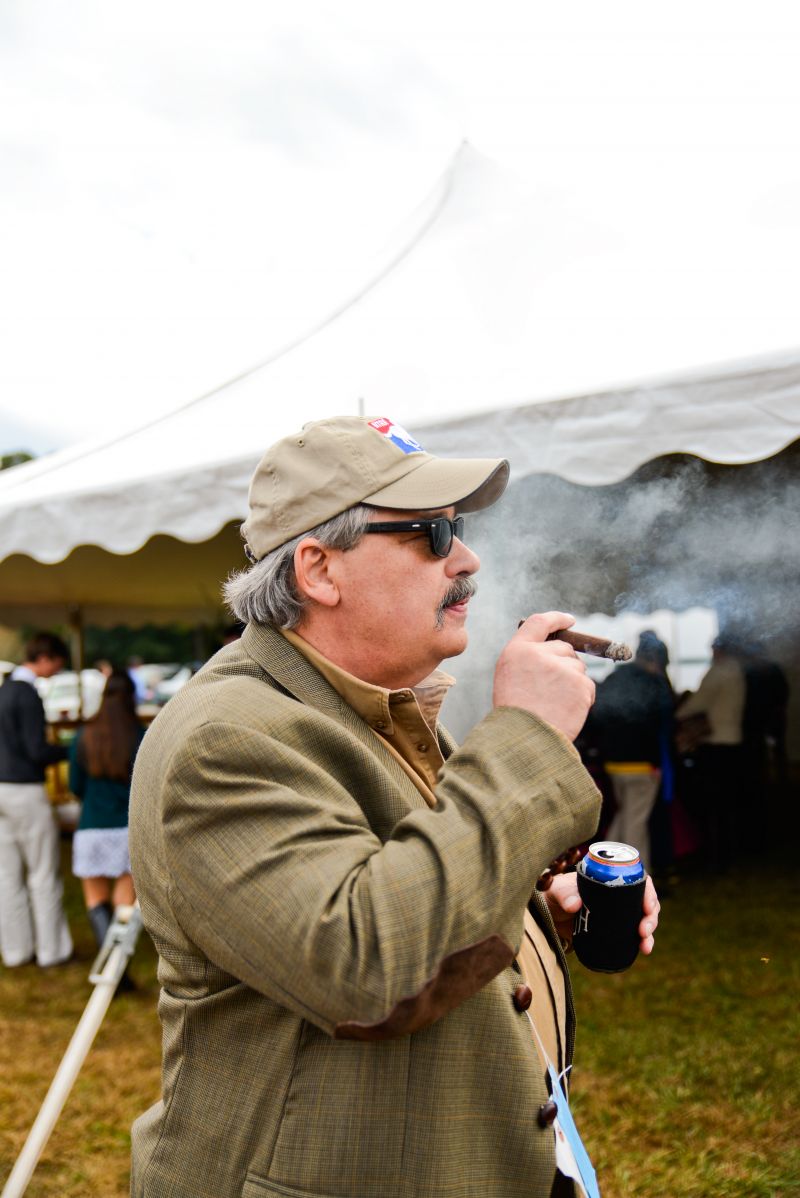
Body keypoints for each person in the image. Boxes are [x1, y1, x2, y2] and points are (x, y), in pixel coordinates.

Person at [129, 416, 659, 1198]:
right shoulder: (225, 739)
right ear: (319, 569)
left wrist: (536, 906)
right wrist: (526, 736)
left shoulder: (367, 707)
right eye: (434, 532)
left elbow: (401, 877)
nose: (468, 558)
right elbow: (365, 962)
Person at [0, 632, 74, 968]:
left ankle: (15, 952)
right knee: (43, 873)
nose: (56, 672)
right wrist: (71, 749)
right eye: (57, 665)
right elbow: (36, 750)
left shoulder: (3, 689)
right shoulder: (28, 694)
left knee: (7, 876)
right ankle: (52, 951)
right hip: (25, 790)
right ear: (44, 657)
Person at [69, 669, 144, 988]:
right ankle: (118, 970)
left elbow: (75, 785)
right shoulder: (139, 734)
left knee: (95, 900)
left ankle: (112, 976)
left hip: (92, 828)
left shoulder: (83, 736)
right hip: (126, 827)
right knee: (124, 903)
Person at [588, 631, 674, 874]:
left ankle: (603, 867)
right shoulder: (653, 682)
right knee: (637, 822)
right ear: (655, 659)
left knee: (625, 814)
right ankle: (636, 877)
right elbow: (662, 723)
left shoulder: (615, 678)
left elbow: (598, 715)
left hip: (614, 763)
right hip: (641, 765)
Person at [676, 634, 746, 871]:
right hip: (733, 741)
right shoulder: (736, 670)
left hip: (716, 743)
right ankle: (729, 851)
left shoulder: (719, 671)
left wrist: (675, 715)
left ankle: (715, 856)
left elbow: (699, 703)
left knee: (713, 803)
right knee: (728, 802)